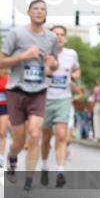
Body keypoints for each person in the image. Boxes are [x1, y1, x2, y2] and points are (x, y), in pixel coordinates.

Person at [0, 0, 60, 192]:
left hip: (39, 91)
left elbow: (54, 64)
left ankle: (28, 184)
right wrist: (23, 56)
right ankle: (12, 158)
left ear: (46, 13)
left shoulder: (51, 38)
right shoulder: (17, 33)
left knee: (34, 134)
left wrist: (53, 63)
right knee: (18, 139)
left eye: (43, 9)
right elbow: (1, 62)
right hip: (16, 90)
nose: (39, 12)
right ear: (28, 12)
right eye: (36, 9)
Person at [39, 25, 80, 188]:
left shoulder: (72, 54)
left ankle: (60, 171)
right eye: (56, 34)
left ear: (66, 38)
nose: (59, 37)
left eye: (62, 34)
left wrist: (75, 75)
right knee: (46, 137)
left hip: (63, 98)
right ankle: (44, 166)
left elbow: (77, 70)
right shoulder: (43, 53)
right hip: (45, 99)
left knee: (62, 135)